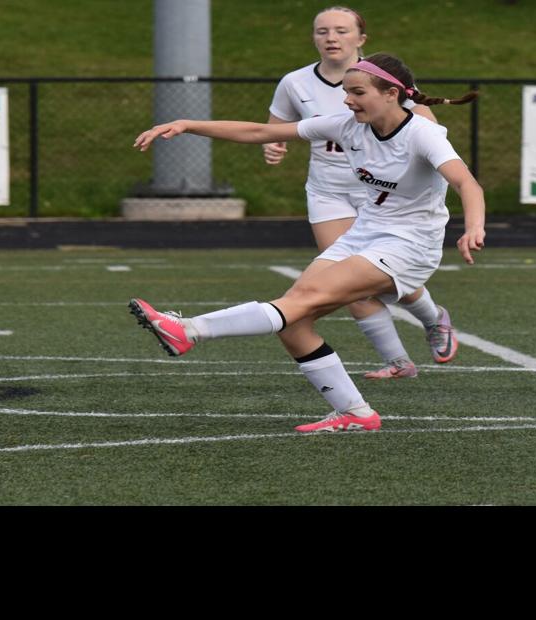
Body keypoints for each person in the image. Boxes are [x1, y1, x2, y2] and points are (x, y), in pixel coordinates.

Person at [128, 54, 486, 433]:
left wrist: (473, 227)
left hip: (410, 246)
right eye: (346, 92)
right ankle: (355, 413)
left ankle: (189, 330)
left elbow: (467, 183)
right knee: (294, 324)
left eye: (357, 92)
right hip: (365, 234)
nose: (347, 100)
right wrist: (187, 125)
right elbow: (260, 133)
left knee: (298, 302)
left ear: (391, 93)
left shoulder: (422, 134)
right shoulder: (347, 126)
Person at [264, 6, 458, 381]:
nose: (331, 38)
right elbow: (275, 126)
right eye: (322, 31)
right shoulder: (295, 82)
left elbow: (422, 120)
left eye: (340, 30)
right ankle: (399, 362)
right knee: (346, 283)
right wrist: (273, 146)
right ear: (313, 38)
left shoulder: (380, 79)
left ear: (361, 39)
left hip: (385, 193)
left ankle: (434, 320)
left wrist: (429, 141)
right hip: (329, 192)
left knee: (385, 279)